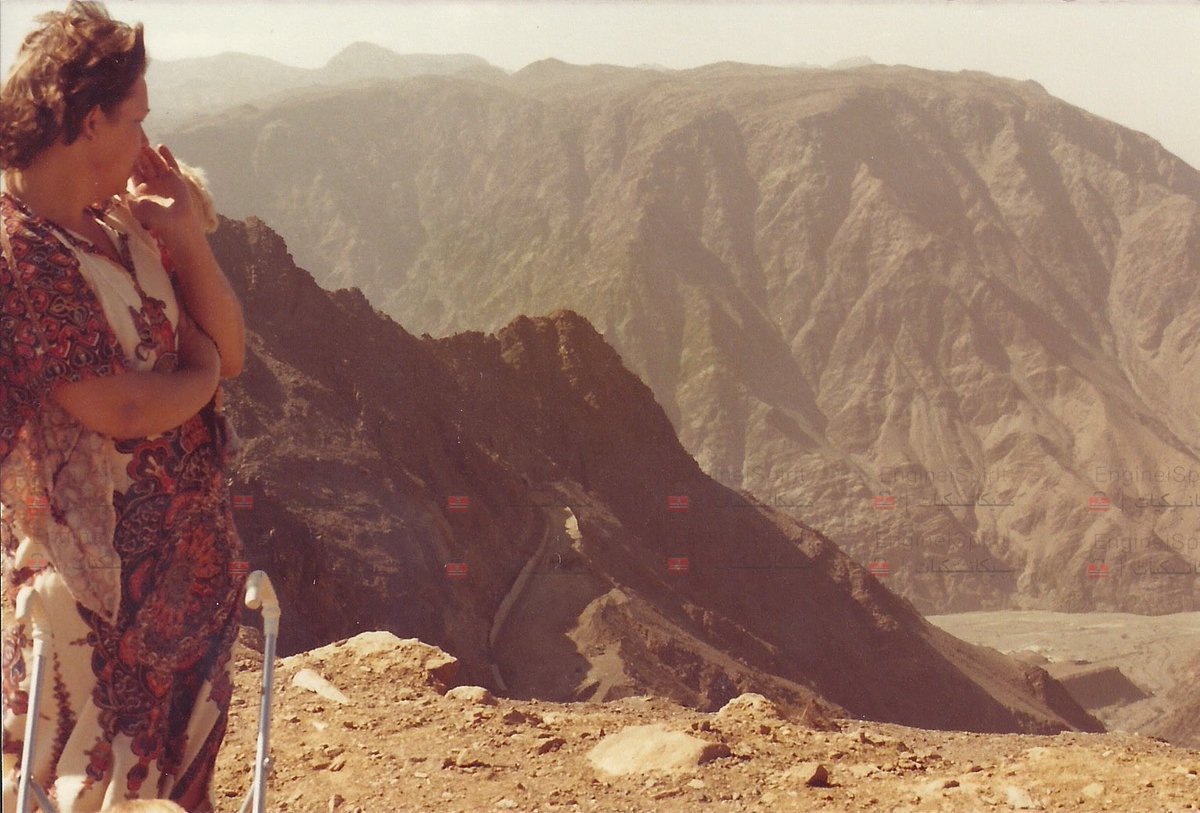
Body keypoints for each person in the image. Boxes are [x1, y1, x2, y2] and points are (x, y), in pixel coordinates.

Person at [0, 3, 247, 810]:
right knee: (83, 791)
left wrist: (187, 235)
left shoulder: (115, 223)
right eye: (135, 119)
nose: (147, 140)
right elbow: (124, 407)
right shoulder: (20, 250)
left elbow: (229, 347)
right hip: (94, 610)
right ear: (89, 120)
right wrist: (200, 376)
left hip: (180, 595)